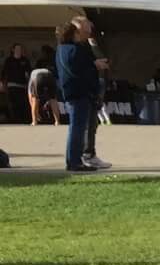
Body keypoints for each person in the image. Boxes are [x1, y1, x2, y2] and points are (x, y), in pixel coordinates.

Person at [55, 18, 108, 173]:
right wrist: (95, 65)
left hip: (71, 92)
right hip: (80, 93)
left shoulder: (61, 49)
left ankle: (74, 160)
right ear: (75, 33)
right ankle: (74, 162)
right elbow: (81, 71)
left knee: (76, 128)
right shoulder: (75, 50)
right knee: (77, 129)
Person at [28, 46, 58, 126]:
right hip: (49, 75)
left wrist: (36, 113)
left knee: (35, 99)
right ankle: (57, 121)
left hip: (39, 76)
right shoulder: (53, 60)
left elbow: (30, 96)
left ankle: (34, 121)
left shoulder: (33, 75)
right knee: (53, 99)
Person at [2, 43, 29, 124]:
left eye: (20, 49)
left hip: (23, 86)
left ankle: (22, 121)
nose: (19, 50)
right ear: (13, 50)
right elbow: (4, 73)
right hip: (12, 85)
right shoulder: (9, 60)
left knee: (23, 104)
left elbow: (28, 73)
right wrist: (2, 84)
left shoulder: (25, 60)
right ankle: (15, 121)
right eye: (17, 49)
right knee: (13, 104)